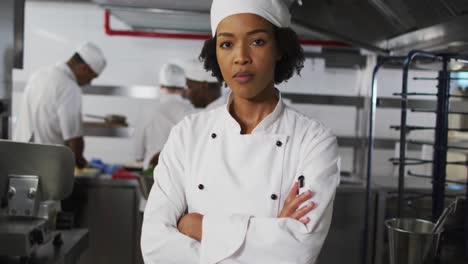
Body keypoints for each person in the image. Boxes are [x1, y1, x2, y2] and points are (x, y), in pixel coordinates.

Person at [141, 0, 340, 263]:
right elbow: (155, 247)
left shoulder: (313, 141)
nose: (241, 57)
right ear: (216, 53)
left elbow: (296, 252)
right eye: (226, 44)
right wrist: (271, 235)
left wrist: (199, 227)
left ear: (279, 47)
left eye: (257, 41)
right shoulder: (187, 135)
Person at [13, 42, 106, 168]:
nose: (89, 82)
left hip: (19, 159)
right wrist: (83, 165)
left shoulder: (38, 75)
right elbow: (74, 139)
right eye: (92, 77)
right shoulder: (69, 87)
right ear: (84, 68)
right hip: (45, 166)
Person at [134, 63, 194, 169]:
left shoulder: (148, 111)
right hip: (182, 172)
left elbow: (138, 154)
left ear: (161, 86)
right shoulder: (192, 111)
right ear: (184, 87)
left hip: (152, 172)